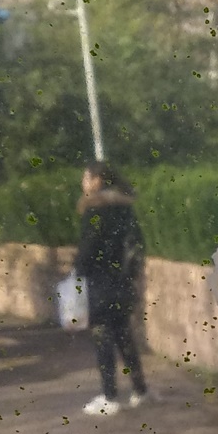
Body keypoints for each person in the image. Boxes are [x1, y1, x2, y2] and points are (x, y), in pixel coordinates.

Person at [75, 162, 149, 416]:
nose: (83, 183)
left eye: (86, 178)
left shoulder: (94, 209)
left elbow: (88, 248)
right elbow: (138, 243)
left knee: (102, 336)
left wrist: (78, 270)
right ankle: (140, 390)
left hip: (100, 280)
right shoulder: (125, 209)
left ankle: (110, 395)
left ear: (97, 181)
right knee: (123, 334)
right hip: (123, 280)